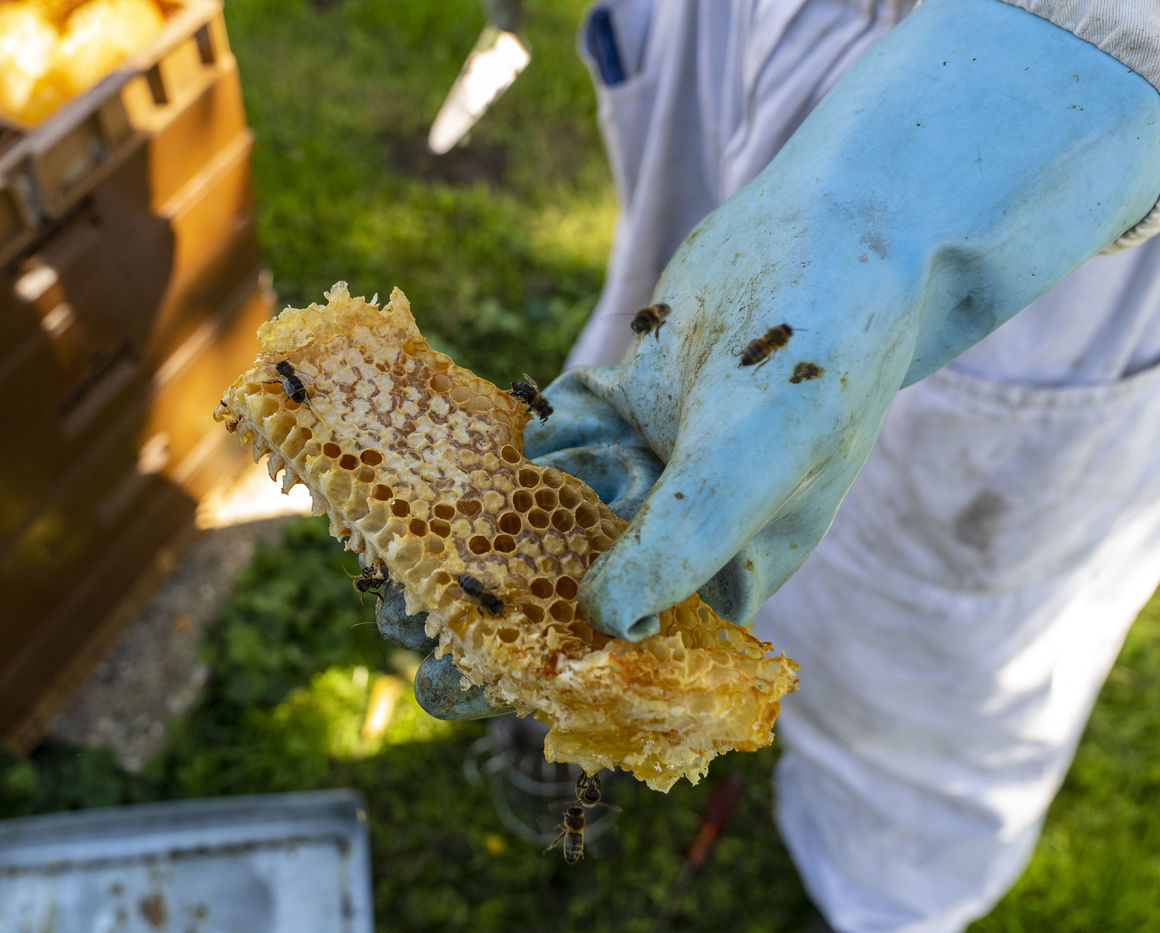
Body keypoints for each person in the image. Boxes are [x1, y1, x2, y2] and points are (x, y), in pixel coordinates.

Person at [382, 0, 1160, 929]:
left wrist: (1068, 65)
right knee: (653, 406)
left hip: (1055, 121)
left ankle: (881, 891)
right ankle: (574, 694)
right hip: (725, 30)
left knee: (931, 650)